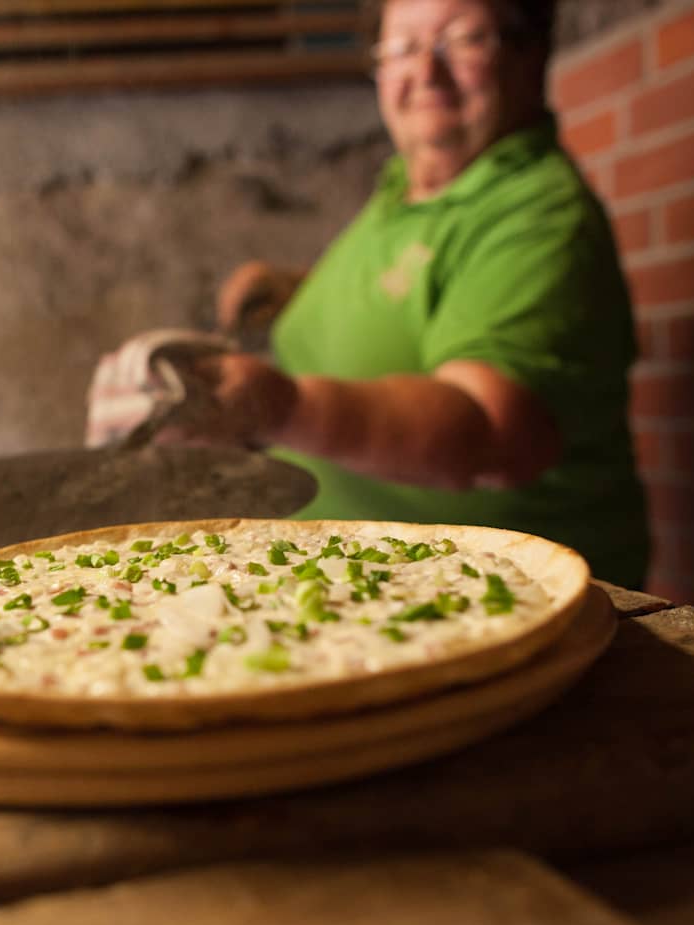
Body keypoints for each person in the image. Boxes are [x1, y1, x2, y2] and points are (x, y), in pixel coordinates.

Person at [100, 0, 648, 588]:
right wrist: (298, 289)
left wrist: (278, 408)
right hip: (346, 577)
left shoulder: (537, 212)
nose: (426, 72)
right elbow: (421, 297)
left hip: (488, 593)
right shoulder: (406, 189)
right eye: (403, 47)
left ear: (529, 53)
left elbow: (489, 432)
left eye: (463, 39)